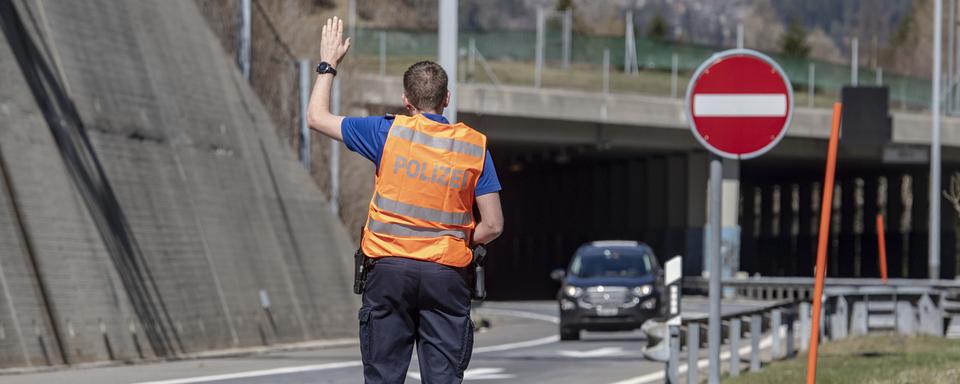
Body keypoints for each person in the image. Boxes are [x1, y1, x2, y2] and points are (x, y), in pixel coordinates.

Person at [306, 16, 504, 384]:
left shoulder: (386, 133)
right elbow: (493, 225)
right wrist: (456, 239)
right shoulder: (474, 146)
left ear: (406, 101)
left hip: (389, 272)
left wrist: (328, 65)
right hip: (445, 276)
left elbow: (316, 118)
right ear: (447, 99)